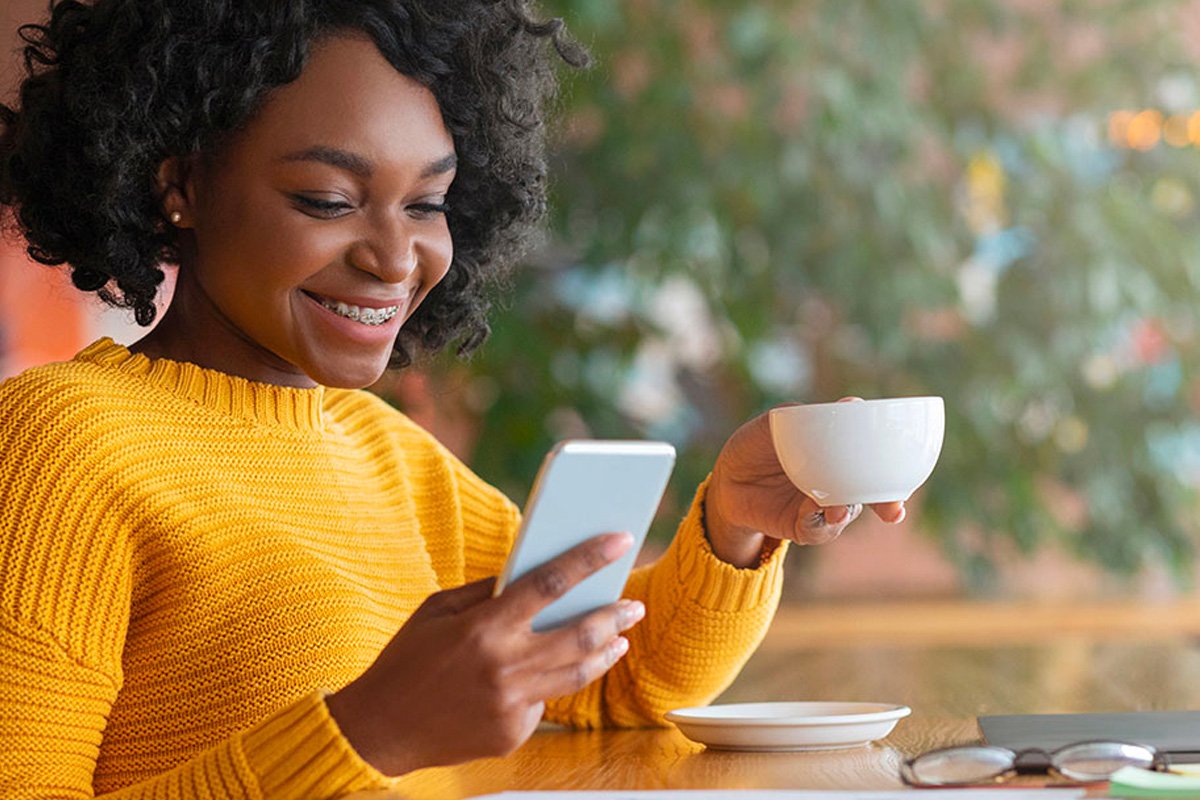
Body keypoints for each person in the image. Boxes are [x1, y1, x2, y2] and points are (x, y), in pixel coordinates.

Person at [0, 0, 907, 796]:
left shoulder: (383, 452)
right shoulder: (57, 448)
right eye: (326, 199)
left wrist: (736, 524)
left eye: (427, 204)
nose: (395, 260)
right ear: (179, 186)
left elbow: (612, 684)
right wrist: (367, 734)